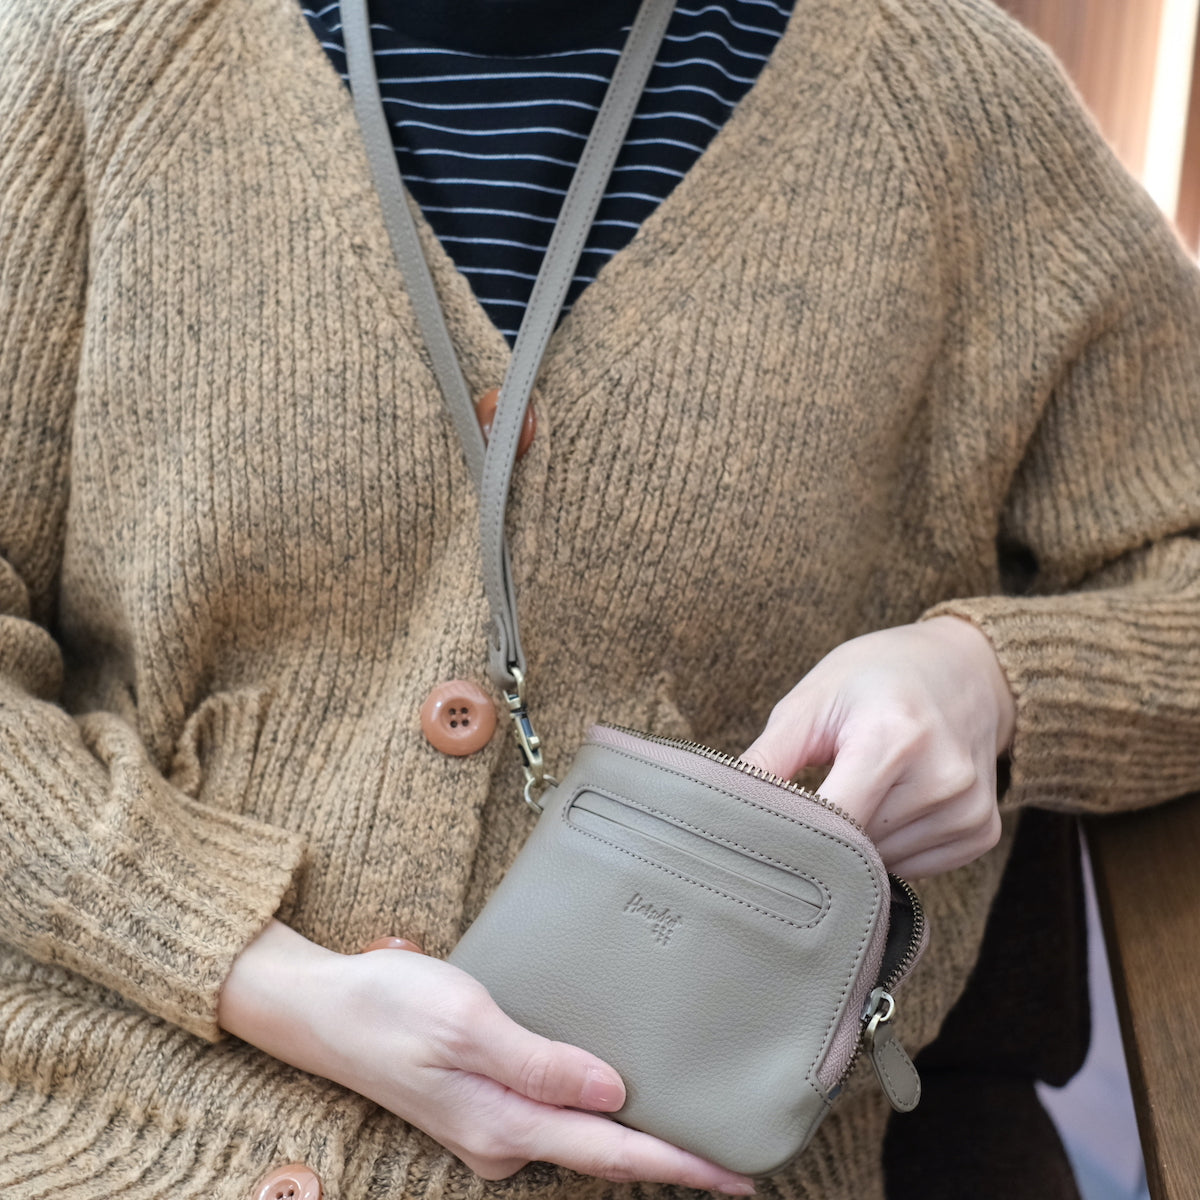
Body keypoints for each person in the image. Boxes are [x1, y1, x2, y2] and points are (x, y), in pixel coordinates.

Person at [1, 0, 1197, 1196]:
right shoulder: (103, 54)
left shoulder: (955, 111)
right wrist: (253, 969)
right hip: (88, 1120)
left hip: (673, 1162)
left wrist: (989, 679)